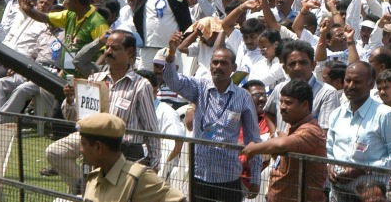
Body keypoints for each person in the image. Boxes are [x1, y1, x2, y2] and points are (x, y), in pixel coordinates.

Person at [48, 30, 161, 194]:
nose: (108, 52)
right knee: (55, 151)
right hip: (91, 142)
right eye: (107, 48)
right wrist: (71, 100)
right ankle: (82, 187)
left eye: (114, 48)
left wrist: (154, 162)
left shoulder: (140, 85)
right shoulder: (95, 79)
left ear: (129, 52)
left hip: (124, 149)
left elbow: (151, 128)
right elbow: (74, 118)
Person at [162, 32, 262, 202]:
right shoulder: (199, 87)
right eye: (215, 62)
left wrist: (256, 178)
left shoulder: (243, 97)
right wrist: (171, 55)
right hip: (200, 174)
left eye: (224, 63)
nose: (218, 67)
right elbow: (173, 81)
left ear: (233, 67)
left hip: (228, 176)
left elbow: (253, 139)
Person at [325, 61, 391, 202]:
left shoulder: (385, 115)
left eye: (357, 82)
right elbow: (329, 150)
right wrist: (329, 166)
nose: (351, 86)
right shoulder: (336, 114)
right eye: (348, 80)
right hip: (337, 194)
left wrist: (362, 169)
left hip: (371, 195)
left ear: (370, 84)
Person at [240, 79, 326, 202]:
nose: (282, 107)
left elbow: (281, 144)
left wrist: (253, 148)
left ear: (305, 105)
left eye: (288, 103)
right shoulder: (292, 128)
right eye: (281, 102)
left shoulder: (310, 131)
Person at [80, 113, 185, 202]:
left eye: (83, 144)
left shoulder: (137, 178)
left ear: (98, 147)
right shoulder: (93, 179)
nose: (80, 150)